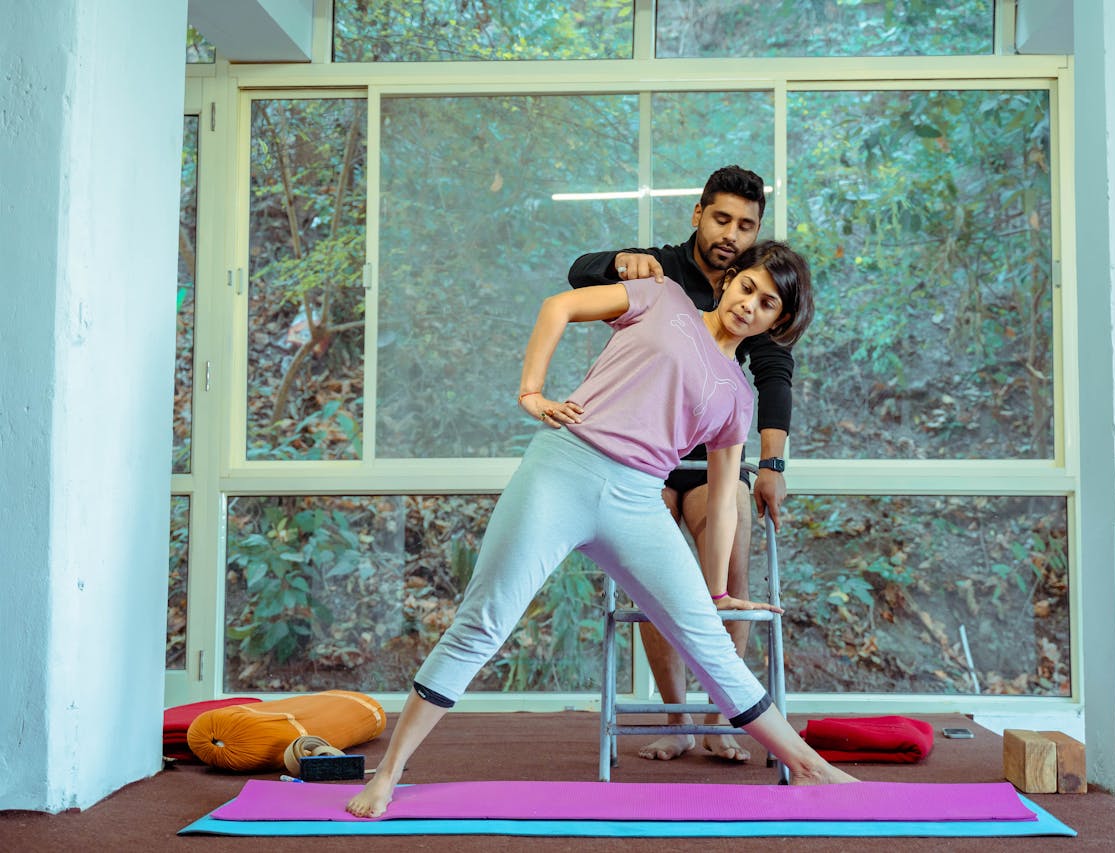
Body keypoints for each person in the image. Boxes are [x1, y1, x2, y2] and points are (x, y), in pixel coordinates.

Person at [346, 241, 855, 819]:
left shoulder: (739, 399)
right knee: (483, 623)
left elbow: (721, 497)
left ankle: (809, 765)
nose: (749, 306)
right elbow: (557, 307)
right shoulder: (661, 297)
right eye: (747, 288)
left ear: (777, 322)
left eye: (767, 305)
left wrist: (716, 590)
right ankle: (388, 774)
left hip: (637, 501)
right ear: (729, 280)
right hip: (562, 470)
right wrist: (532, 393)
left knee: (712, 645)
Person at [567, 165, 789, 763]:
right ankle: (678, 717)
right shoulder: (661, 267)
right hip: (644, 460)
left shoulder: (755, 292)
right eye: (721, 219)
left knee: (732, 574)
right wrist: (621, 263)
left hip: (713, 459)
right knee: (652, 588)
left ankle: (724, 714)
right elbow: (579, 273)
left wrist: (773, 461)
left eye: (746, 225)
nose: (731, 235)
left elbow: (772, 374)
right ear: (698, 215)